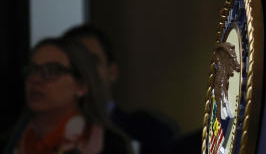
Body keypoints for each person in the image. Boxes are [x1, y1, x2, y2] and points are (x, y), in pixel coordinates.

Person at [1, 38, 129, 154]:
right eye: (32, 70)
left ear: (81, 85)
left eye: (52, 71)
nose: (36, 79)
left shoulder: (107, 146)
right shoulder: (9, 142)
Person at [61, 26, 175, 154]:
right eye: (74, 64)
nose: (83, 71)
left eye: (92, 61)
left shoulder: (150, 130)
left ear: (112, 72)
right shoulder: (45, 133)